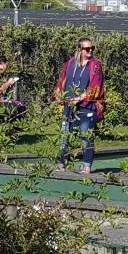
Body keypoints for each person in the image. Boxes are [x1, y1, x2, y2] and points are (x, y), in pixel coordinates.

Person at [53, 38, 104, 174]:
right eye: (87, 48)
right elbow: (62, 79)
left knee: (86, 135)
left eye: (92, 47)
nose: (91, 50)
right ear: (79, 49)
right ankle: (61, 163)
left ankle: (87, 165)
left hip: (87, 106)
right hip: (69, 105)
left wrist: (79, 98)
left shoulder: (95, 65)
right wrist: (58, 93)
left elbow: (95, 87)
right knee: (65, 134)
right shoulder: (71, 63)